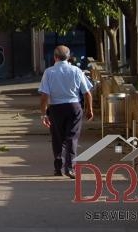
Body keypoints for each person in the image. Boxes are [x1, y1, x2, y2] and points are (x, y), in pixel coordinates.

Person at [38, 45, 94, 178]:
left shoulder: (49, 72)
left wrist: (43, 114)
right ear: (69, 57)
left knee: (57, 138)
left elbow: (44, 95)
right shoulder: (76, 71)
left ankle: (58, 168)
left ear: (55, 57)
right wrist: (89, 109)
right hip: (74, 107)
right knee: (72, 137)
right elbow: (87, 93)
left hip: (55, 109)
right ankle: (70, 168)